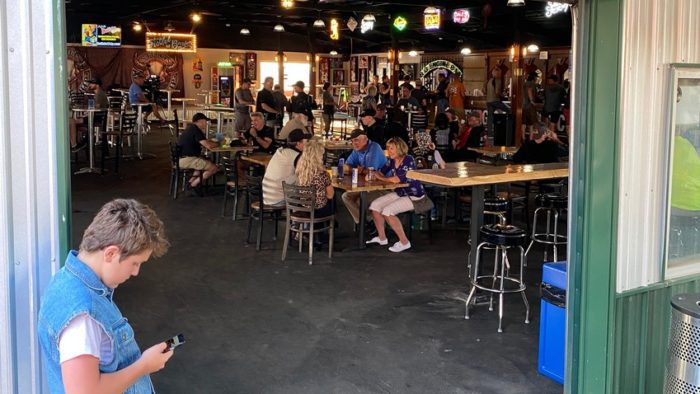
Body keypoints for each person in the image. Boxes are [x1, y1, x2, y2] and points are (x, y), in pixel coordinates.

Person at [38, 198, 172, 393]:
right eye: (135, 263)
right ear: (110, 253)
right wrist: (144, 366)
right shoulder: (83, 317)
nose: (136, 272)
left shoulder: (65, 280)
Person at [366, 137, 426, 253]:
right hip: (400, 193)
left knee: (387, 211)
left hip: (414, 195)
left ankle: (404, 242)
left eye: (392, 148)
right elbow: (380, 172)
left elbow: (396, 180)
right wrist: (373, 174)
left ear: (399, 148)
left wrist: (380, 177)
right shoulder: (392, 160)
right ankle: (382, 238)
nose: (389, 151)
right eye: (388, 148)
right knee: (374, 206)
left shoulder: (408, 160)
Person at [341, 129, 389, 226]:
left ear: (366, 139)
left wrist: (361, 170)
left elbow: (371, 173)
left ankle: (368, 224)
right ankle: (366, 223)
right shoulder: (357, 150)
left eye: (357, 140)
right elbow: (346, 167)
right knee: (346, 196)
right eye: (353, 141)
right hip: (365, 186)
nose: (354, 143)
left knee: (360, 201)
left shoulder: (374, 148)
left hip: (382, 187)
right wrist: (359, 169)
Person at [262, 128, 310, 206]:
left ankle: (296, 216)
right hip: (278, 199)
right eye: (306, 142)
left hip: (267, 196)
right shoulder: (296, 155)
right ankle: (300, 216)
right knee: (308, 193)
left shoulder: (280, 151)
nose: (307, 144)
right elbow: (307, 173)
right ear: (298, 143)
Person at [178, 113, 220, 189]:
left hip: (181, 158)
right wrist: (219, 143)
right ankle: (193, 185)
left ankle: (190, 183)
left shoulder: (191, 128)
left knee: (201, 163)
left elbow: (204, 142)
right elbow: (209, 146)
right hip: (187, 159)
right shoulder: (196, 130)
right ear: (199, 121)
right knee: (214, 168)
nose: (206, 124)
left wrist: (210, 142)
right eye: (205, 121)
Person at [295, 138, 335, 219]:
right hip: (318, 211)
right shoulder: (323, 174)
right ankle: (330, 225)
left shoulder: (300, 170)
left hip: (303, 208)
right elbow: (330, 195)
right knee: (332, 201)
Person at [486, 67, 510, 136]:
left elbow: (483, 90)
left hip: (488, 101)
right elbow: (497, 92)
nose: (500, 75)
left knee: (490, 117)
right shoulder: (497, 80)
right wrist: (503, 95)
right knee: (509, 110)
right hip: (495, 101)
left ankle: (490, 133)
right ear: (497, 73)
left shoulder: (489, 80)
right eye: (500, 73)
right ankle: (506, 127)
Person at [522, 71, 538, 140]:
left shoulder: (524, 83)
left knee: (523, 123)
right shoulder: (532, 83)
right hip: (529, 106)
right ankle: (531, 139)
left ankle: (523, 138)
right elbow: (529, 90)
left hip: (523, 106)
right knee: (531, 124)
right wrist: (532, 101)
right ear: (534, 77)